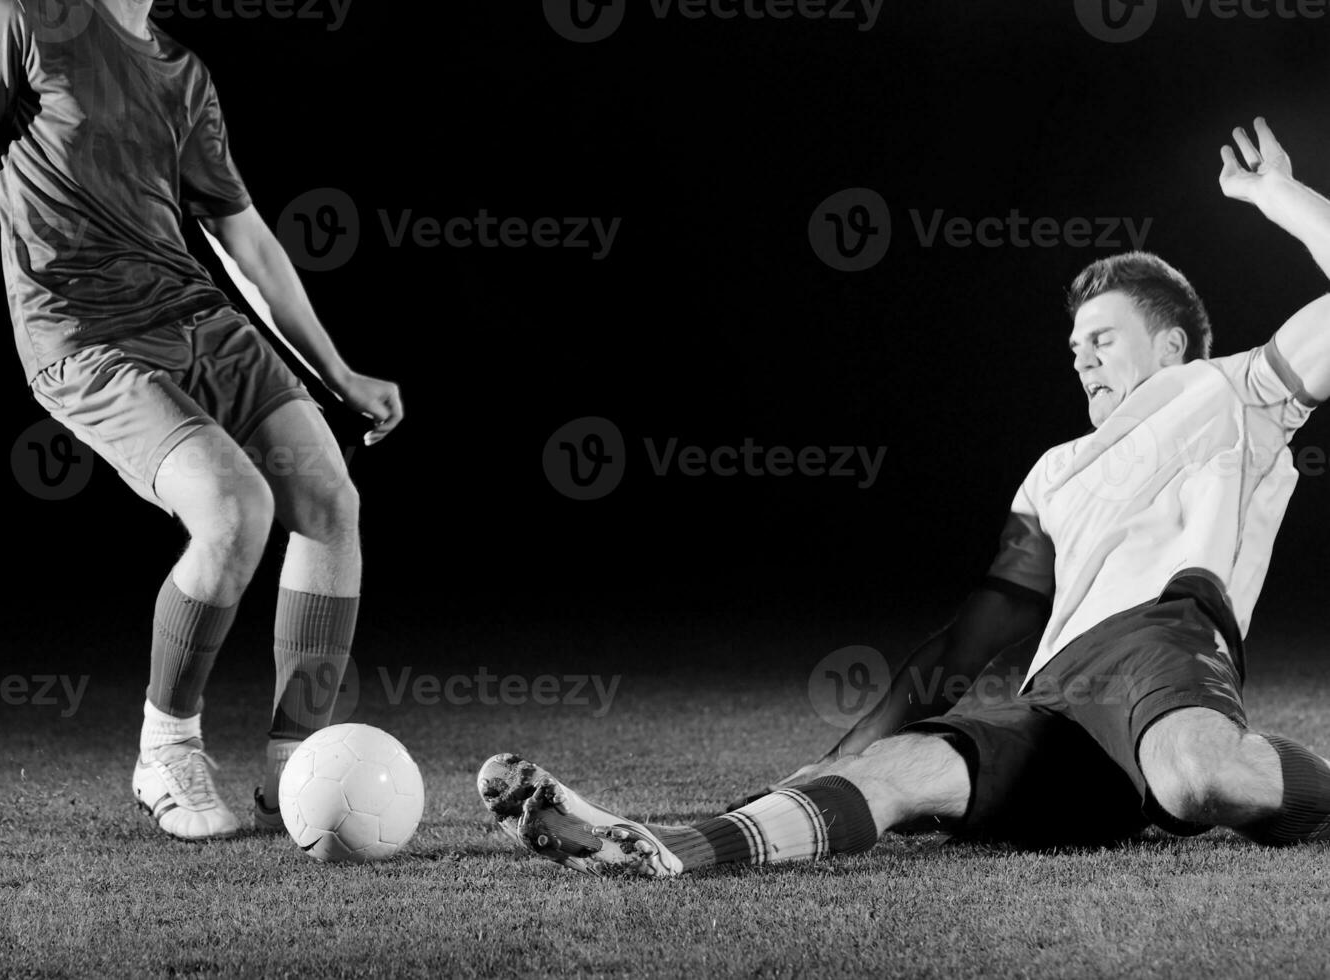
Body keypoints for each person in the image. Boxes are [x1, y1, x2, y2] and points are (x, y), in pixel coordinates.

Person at [479, 117, 1330, 876]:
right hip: (1054, 700)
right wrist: (824, 768)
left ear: (1173, 342)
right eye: (1073, 345)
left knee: (1199, 775)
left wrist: (1282, 198)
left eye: (1103, 338)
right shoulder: (1054, 471)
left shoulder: (1233, 391)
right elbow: (961, 650)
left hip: (1164, 644)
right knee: (899, 773)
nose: (1081, 357)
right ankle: (668, 849)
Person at [0, 0, 403, 841]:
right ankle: (167, 745)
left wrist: (338, 371)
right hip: (82, 331)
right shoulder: (18, 19)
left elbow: (244, 241)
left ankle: (298, 761)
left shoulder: (183, 71)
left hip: (196, 316)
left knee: (329, 500)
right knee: (234, 510)